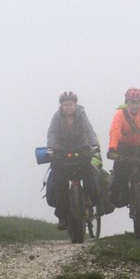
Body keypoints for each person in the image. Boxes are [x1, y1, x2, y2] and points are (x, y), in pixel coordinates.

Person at [106, 87, 140, 227]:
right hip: (124, 147)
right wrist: (112, 149)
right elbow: (114, 132)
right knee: (119, 174)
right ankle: (123, 198)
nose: (135, 105)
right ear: (127, 102)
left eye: (138, 102)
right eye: (132, 102)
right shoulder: (120, 115)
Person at [46, 91, 101, 230]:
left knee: (89, 173)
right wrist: (50, 148)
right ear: (61, 106)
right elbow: (52, 132)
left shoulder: (81, 115)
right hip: (61, 151)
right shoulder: (57, 117)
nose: (68, 107)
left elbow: (89, 130)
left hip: (81, 148)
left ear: (75, 105)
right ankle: (62, 216)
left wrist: (94, 144)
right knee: (59, 180)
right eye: (65, 105)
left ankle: (89, 202)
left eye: (71, 104)